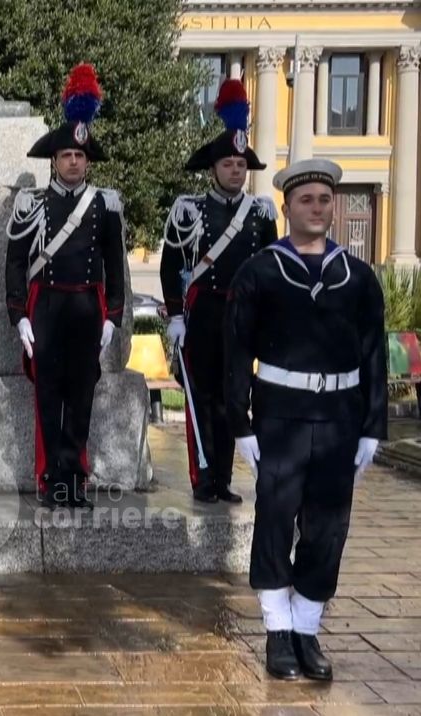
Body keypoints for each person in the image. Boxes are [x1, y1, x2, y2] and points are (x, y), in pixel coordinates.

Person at [226, 158, 386, 682]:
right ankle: (277, 631)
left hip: (339, 419)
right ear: (287, 207)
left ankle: (307, 630)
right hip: (281, 417)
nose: (317, 208)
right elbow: (235, 352)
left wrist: (371, 428)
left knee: (327, 529)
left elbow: (373, 357)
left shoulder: (358, 277)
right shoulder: (260, 271)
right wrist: (241, 425)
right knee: (275, 521)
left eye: (324, 199)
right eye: (306, 200)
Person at [4, 64, 126, 510]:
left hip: (88, 308)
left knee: (81, 395)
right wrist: (18, 315)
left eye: (80, 157)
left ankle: (74, 478)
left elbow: (116, 264)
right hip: (47, 308)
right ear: (54, 161)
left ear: (87, 161)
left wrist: (113, 316)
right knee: (48, 394)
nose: (74, 162)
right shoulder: (31, 203)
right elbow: (16, 263)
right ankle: (51, 480)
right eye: (66, 156)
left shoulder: (105, 205)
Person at [160, 79, 279, 504]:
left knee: (234, 397)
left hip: (241, 315)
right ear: (214, 168)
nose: (235, 170)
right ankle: (202, 478)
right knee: (202, 395)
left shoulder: (261, 214)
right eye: (228, 163)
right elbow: (171, 264)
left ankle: (224, 479)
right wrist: (175, 316)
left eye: (241, 164)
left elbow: (270, 268)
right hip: (204, 312)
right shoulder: (189, 209)